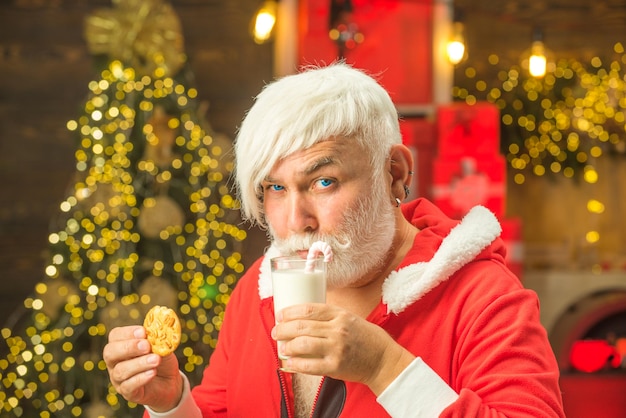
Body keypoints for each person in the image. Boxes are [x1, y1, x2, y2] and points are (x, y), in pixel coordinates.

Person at [103, 62, 565, 417]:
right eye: (274, 188)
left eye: (323, 182)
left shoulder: (484, 298)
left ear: (395, 173)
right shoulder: (259, 290)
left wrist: (385, 368)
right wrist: (171, 404)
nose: (296, 221)